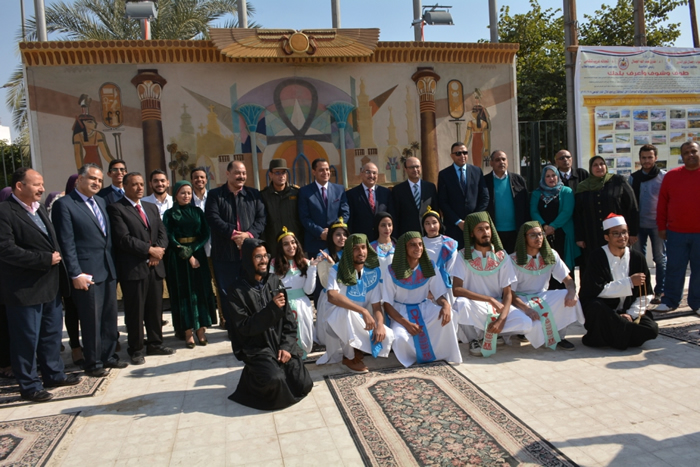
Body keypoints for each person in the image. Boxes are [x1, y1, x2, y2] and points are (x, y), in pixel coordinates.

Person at [0, 168, 81, 402]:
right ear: (19, 186)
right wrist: (43, 259)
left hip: (50, 286)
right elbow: (6, 249)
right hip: (24, 289)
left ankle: (54, 374)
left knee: (51, 335)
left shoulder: (40, 209)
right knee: (26, 340)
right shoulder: (5, 211)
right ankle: (29, 385)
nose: (42, 189)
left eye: (42, 184)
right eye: (37, 184)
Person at [53, 163, 126, 377]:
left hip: (107, 269)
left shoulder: (101, 201)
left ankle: (108, 356)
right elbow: (66, 243)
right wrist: (75, 273)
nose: (97, 183)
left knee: (109, 317)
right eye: (93, 178)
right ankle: (93, 362)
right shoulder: (65, 205)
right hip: (86, 272)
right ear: (79, 180)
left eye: (100, 180)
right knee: (91, 320)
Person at [227, 238, 313, 411]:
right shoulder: (236, 291)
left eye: (265, 255)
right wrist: (271, 309)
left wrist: (286, 347)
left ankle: (272, 366)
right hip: (257, 348)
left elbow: (289, 321)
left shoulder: (274, 281)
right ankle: (251, 377)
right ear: (248, 260)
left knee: (304, 383)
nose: (264, 260)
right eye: (258, 257)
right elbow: (244, 327)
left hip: (279, 344)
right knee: (275, 381)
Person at [108, 172, 174, 365]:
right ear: (125, 187)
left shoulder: (150, 207)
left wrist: (158, 251)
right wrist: (149, 250)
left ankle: (155, 343)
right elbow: (123, 239)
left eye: (141, 184)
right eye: (135, 184)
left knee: (155, 308)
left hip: (155, 267)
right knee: (135, 311)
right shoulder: (117, 208)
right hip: (134, 269)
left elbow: (162, 233)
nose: (139, 188)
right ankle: (136, 348)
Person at [452, 212, 532, 357]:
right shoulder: (463, 255)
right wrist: (489, 299)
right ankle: (473, 339)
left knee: (526, 322)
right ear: (471, 234)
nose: (486, 232)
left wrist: (501, 320)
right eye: (480, 229)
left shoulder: (502, 256)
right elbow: (456, 289)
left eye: (487, 228)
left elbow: (508, 292)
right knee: (461, 304)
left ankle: (495, 331)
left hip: (498, 307)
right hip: (474, 306)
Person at [205, 160, 266, 337]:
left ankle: (254, 326)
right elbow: (213, 218)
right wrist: (233, 234)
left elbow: (261, 219)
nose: (241, 176)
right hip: (225, 254)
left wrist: (248, 236)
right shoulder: (215, 195)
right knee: (228, 293)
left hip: (250, 254)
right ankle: (234, 329)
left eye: (244, 173)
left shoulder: (253, 195)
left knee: (253, 289)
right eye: (238, 173)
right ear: (228, 173)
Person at [579, 214, 658, 349]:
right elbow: (596, 290)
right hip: (606, 312)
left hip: (627, 310)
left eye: (624, 232)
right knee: (595, 307)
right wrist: (629, 282)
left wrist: (630, 315)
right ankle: (622, 334)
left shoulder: (637, 258)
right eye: (616, 233)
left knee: (651, 329)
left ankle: (615, 334)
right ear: (606, 237)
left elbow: (646, 294)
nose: (622, 237)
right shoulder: (597, 257)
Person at [382, 232, 461, 367]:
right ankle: (413, 358)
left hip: (425, 308)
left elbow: (439, 295)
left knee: (448, 316)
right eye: (412, 245)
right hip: (400, 313)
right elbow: (387, 304)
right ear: (404, 248)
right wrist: (407, 324)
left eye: (420, 244)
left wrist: (446, 305)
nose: (418, 248)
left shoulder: (429, 266)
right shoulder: (392, 270)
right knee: (400, 338)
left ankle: (441, 354)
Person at [317, 234, 394, 371]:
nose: (361, 252)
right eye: (356, 249)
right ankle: (349, 357)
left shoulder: (373, 272)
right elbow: (332, 296)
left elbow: (376, 306)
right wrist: (363, 311)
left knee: (387, 336)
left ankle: (356, 347)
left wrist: (380, 325)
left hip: (359, 319)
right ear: (348, 251)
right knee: (344, 312)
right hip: (335, 320)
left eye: (363, 247)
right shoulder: (337, 269)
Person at [509, 221, 584, 350]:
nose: (538, 238)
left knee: (565, 294)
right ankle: (522, 332)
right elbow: (509, 293)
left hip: (541, 297)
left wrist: (572, 292)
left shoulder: (551, 255)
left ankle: (560, 337)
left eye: (540, 234)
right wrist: (527, 309)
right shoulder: (512, 259)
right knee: (526, 319)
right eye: (533, 235)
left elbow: (568, 280)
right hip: (521, 300)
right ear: (524, 238)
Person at [164, 180, 217, 348]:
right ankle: (187, 331)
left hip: (198, 254)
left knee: (200, 291)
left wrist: (193, 250)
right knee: (183, 294)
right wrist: (185, 253)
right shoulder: (170, 214)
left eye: (188, 193)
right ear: (176, 195)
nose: (186, 196)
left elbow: (205, 233)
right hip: (178, 257)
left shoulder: (197, 212)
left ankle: (201, 329)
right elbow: (169, 236)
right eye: (182, 193)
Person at [656, 141, 700, 313]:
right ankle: (670, 300)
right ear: (682, 156)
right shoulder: (671, 176)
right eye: (686, 153)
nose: (690, 155)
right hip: (676, 233)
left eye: (693, 151)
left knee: (699, 270)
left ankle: (697, 303)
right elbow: (662, 203)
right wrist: (661, 226)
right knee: (674, 267)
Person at [575, 156, 639, 274]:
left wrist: (633, 232)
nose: (599, 167)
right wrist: (579, 237)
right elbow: (578, 214)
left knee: (619, 265)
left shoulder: (618, 181)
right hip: (592, 236)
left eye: (602, 164)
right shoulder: (583, 187)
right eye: (595, 165)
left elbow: (632, 206)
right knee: (594, 266)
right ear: (590, 168)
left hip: (617, 235)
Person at [270, 227, 318, 357]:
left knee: (304, 337)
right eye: (286, 244)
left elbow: (308, 290)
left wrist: (312, 269)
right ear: (280, 247)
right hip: (283, 304)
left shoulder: (305, 262)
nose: (291, 246)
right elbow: (271, 288)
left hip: (302, 305)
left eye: (293, 242)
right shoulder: (274, 264)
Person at [629, 144, 666, 305]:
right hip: (639, 225)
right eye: (643, 158)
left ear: (655, 158)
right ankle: (643, 291)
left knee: (660, 258)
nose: (647, 161)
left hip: (658, 225)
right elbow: (630, 204)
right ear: (639, 159)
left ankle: (660, 291)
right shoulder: (633, 178)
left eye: (650, 157)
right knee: (639, 259)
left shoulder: (664, 177)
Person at [530, 165, 580, 285]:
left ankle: (567, 291)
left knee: (564, 266)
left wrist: (553, 226)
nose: (551, 178)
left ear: (558, 176)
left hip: (563, 234)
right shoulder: (537, 193)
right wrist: (544, 226)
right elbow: (533, 211)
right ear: (543, 178)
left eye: (553, 175)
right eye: (548, 176)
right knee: (546, 266)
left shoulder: (566, 191)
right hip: (543, 235)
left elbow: (567, 211)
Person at [437, 142, 489, 249]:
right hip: (454, 227)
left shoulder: (477, 171)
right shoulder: (444, 175)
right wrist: (458, 221)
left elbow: (484, 197)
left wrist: (474, 220)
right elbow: (442, 201)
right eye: (458, 153)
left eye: (465, 152)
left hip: (475, 227)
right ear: (452, 156)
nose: (462, 156)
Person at [298, 158, 350, 256]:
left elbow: (345, 213)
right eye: (321, 170)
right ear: (314, 172)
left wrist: (333, 230)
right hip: (315, 243)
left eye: (327, 169)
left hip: (337, 243)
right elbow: (304, 217)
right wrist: (320, 232)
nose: (325, 172)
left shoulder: (339, 189)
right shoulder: (304, 191)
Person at [189, 166, 221, 327]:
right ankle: (205, 320)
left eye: (202, 177)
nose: (199, 180)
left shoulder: (215, 197)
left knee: (220, 284)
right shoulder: (188, 200)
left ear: (207, 179)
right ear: (191, 180)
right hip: (198, 250)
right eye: (196, 177)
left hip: (216, 248)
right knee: (201, 286)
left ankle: (223, 318)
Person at [484, 150, 529, 252]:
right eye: (497, 160)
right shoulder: (485, 181)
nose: (501, 162)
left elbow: (526, 206)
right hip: (494, 232)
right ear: (491, 163)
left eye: (503, 159)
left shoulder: (518, 180)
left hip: (516, 231)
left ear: (507, 161)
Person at [314, 218, 349, 346]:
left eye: (345, 234)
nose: (342, 238)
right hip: (330, 297)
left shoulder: (350, 253)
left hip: (347, 294)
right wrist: (331, 264)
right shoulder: (324, 255)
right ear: (331, 236)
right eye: (338, 234)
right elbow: (325, 282)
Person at [260, 159, 303, 258]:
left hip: (294, 245)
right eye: (277, 173)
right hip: (274, 245)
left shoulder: (296, 193)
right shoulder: (263, 196)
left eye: (284, 172)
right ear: (270, 175)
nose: (281, 176)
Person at [391, 156, 439, 237]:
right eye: (411, 167)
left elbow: (435, 211)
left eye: (417, 166)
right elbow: (395, 216)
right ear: (405, 169)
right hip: (407, 235)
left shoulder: (430, 187)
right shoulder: (398, 190)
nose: (415, 170)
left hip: (428, 234)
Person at [346, 162, 392, 242]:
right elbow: (350, 220)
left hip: (382, 240)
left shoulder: (386, 193)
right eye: (368, 172)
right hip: (361, 241)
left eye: (374, 173)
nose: (371, 175)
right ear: (361, 173)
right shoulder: (351, 194)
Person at [421, 207, 459, 301]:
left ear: (440, 223)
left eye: (434, 222)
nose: (431, 226)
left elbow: (452, 269)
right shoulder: (419, 243)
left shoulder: (450, 244)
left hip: (446, 288)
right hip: (424, 289)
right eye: (427, 223)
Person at [370, 211, 396, 278]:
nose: (387, 228)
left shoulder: (398, 246)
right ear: (377, 226)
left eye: (389, 225)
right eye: (383, 225)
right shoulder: (370, 247)